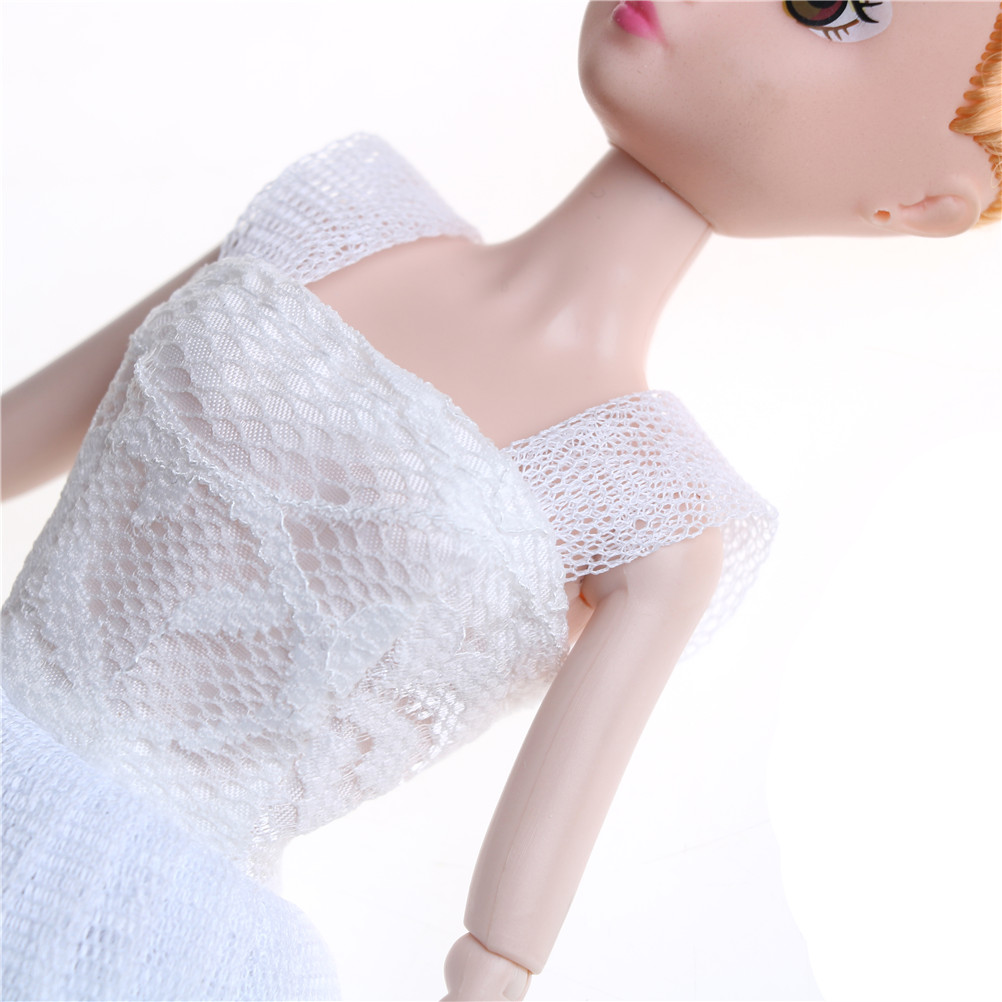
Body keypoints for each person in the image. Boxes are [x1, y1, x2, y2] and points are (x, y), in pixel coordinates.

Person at [2, 4, 999, 1000]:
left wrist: (489, 974)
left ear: (922, 202)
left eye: (825, 6)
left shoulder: (650, 508)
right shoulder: (341, 219)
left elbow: (504, 936)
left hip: (136, 928)